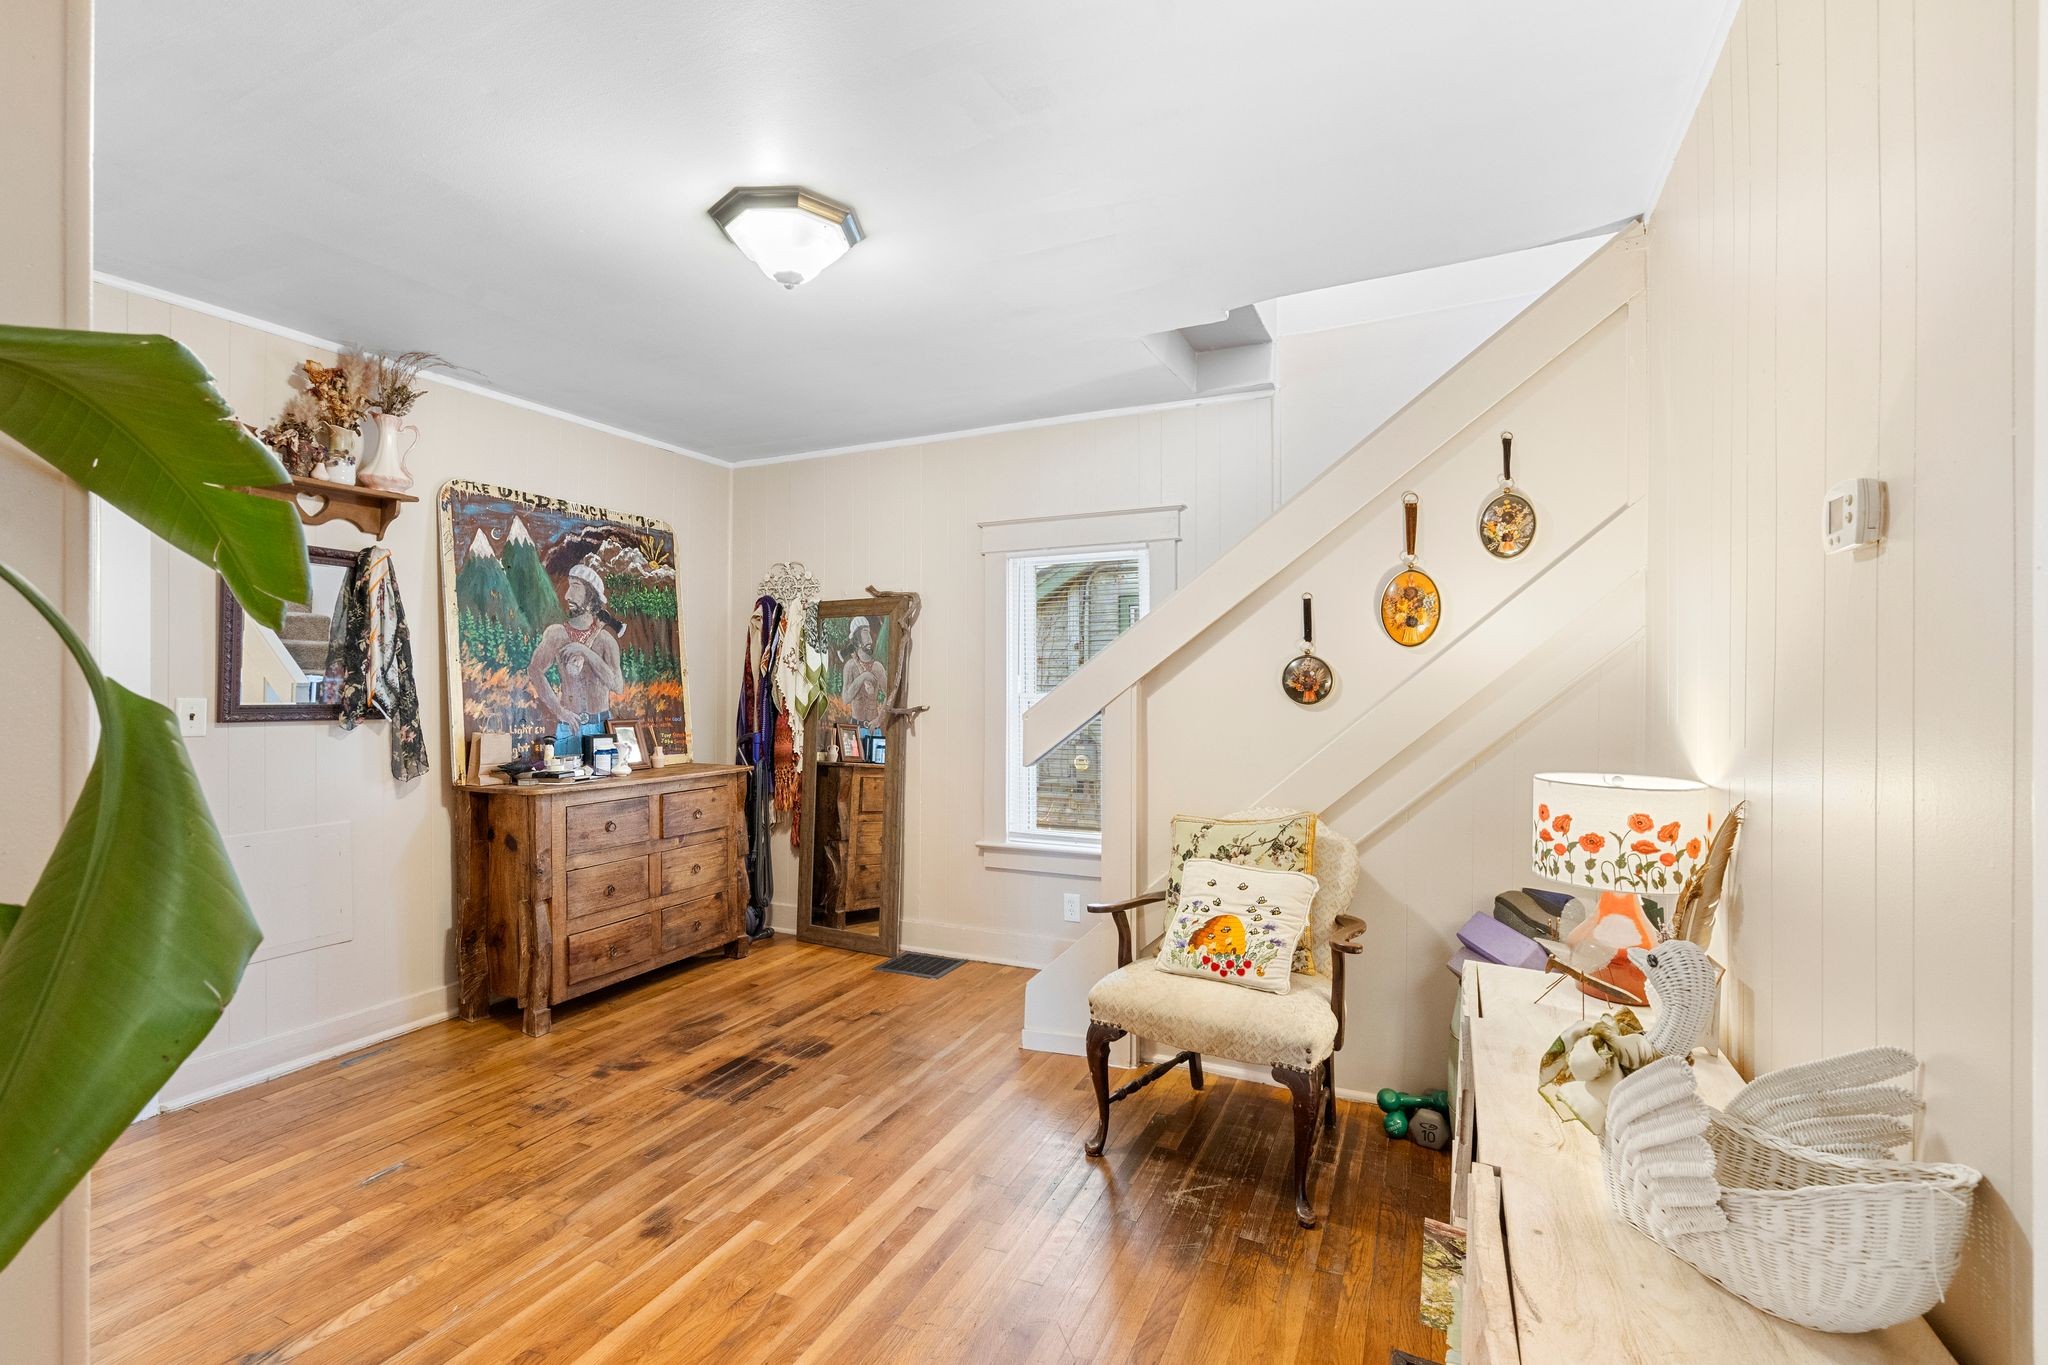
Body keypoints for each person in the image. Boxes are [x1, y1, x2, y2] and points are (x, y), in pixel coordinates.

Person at [528, 559, 625, 758]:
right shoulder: (556, 634)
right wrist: (559, 711)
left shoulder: (606, 641)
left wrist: (587, 653)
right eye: (568, 586)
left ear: (591, 596)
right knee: (564, 783)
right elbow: (534, 670)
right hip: (568, 726)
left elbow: (617, 686)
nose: (567, 595)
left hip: (601, 729)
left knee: (603, 785)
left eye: (576, 587)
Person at [839, 616, 887, 729]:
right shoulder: (850, 666)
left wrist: (878, 720)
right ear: (857, 639)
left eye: (869, 633)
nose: (870, 639)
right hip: (854, 728)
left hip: (873, 729)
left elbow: (889, 695)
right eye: (865, 633)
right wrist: (863, 677)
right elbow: (846, 699)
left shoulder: (877, 667)